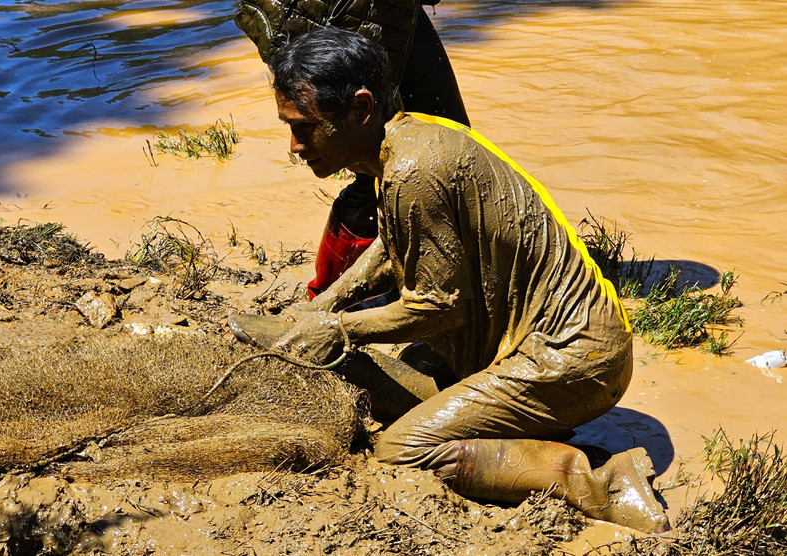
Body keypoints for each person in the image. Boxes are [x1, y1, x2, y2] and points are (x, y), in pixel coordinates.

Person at [230, 27, 670, 534]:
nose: (293, 146)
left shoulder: (415, 171)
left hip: (573, 357)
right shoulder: (405, 141)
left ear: (360, 108)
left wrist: (339, 330)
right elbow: (390, 248)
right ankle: (524, 436)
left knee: (401, 449)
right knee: (402, 368)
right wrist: (323, 306)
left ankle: (603, 480)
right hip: (531, 346)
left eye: (304, 127)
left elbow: (437, 307)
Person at [235, 0, 469, 297]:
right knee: (381, 158)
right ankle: (337, 300)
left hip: (376, 11)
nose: (293, 147)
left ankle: (335, 297)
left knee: (433, 151)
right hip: (338, 10)